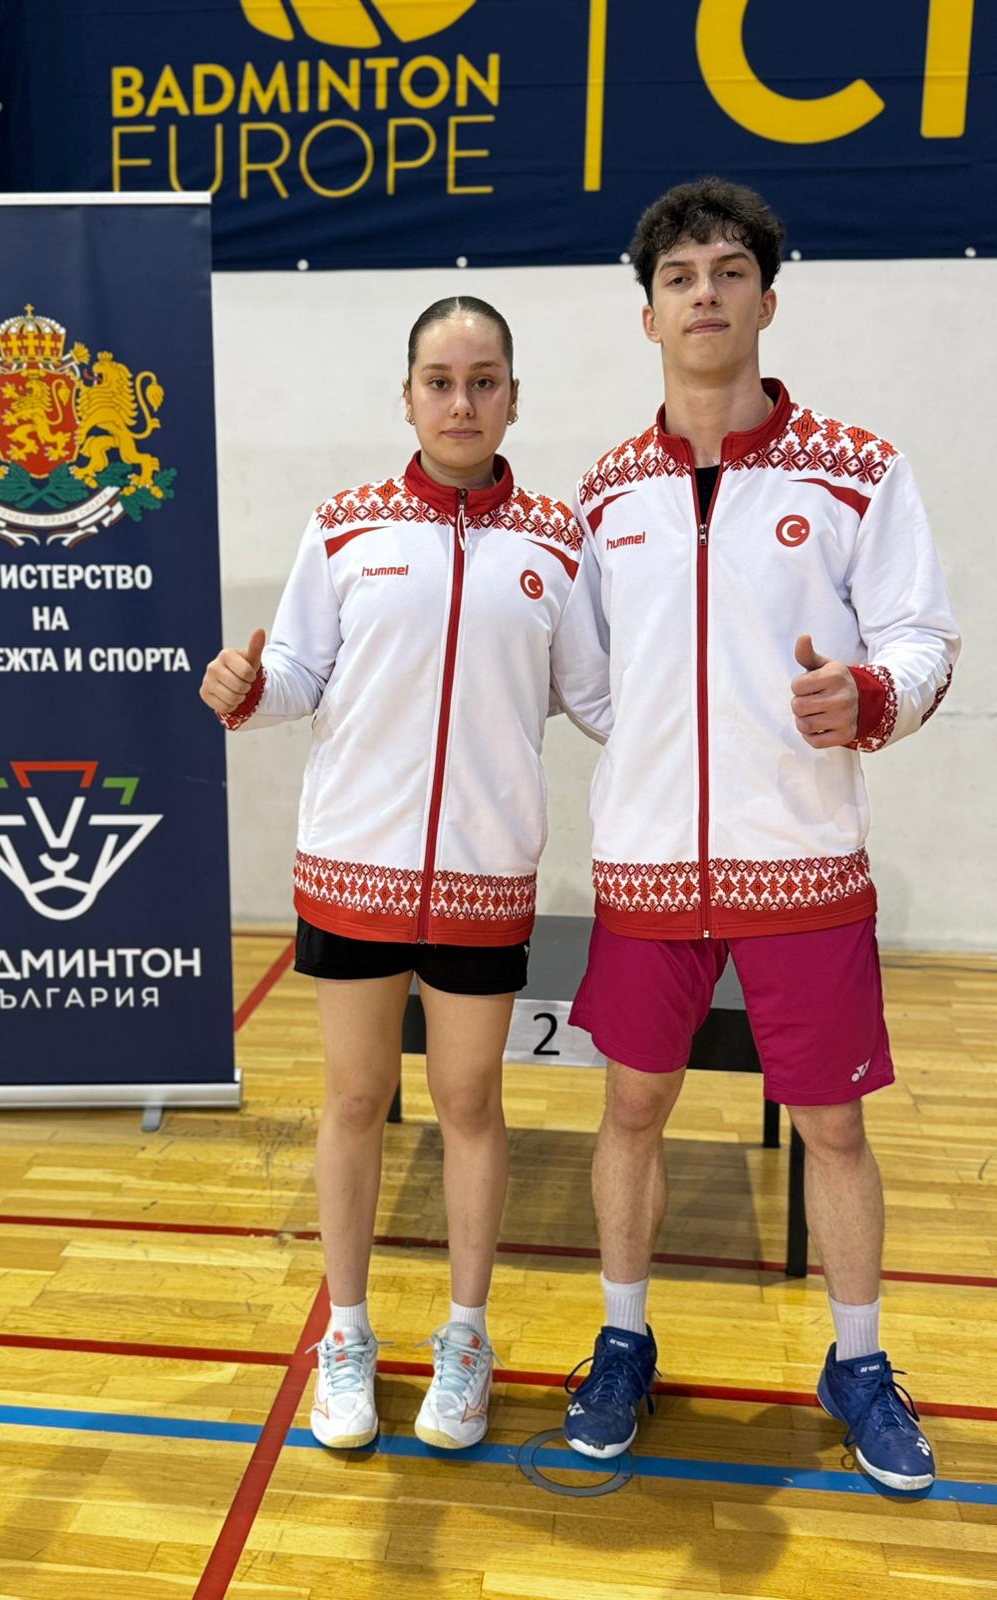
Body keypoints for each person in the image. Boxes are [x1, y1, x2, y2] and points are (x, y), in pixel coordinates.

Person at [561, 179, 959, 1492]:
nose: (706, 295)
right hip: (646, 869)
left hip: (803, 862)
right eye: (680, 277)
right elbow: (592, 675)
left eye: (730, 272)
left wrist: (872, 695)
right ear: (649, 314)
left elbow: (921, 634)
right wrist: (657, 753)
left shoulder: (857, 468)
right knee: (632, 1106)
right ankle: (624, 1340)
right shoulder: (607, 491)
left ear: (768, 302)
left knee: (832, 1126)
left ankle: (860, 1363)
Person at [200, 296, 608, 1452]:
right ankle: (346, 1333)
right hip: (353, 870)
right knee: (353, 1099)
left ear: (514, 397)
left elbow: (602, 697)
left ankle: (466, 1336)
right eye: (440, 380)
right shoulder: (345, 527)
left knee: (470, 1103)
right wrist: (248, 689)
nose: (461, 401)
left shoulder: (558, 543)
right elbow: (296, 671)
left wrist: (725, 721)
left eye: (483, 381)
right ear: (409, 395)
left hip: (485, 875)